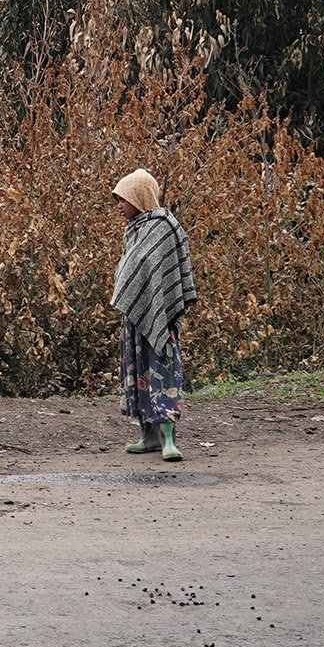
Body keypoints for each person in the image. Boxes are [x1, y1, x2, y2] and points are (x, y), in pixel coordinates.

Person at [110, 168, 197, 462]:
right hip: (135, 315)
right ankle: (147, 436)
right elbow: (132, 268)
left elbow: (164, 268)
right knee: (138, 372)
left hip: (160, 313)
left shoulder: (164, 226)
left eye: (123, 199)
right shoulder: (133, 229)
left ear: (139, 197)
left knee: (161, 370)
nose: (119, 205)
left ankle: (168, 439)